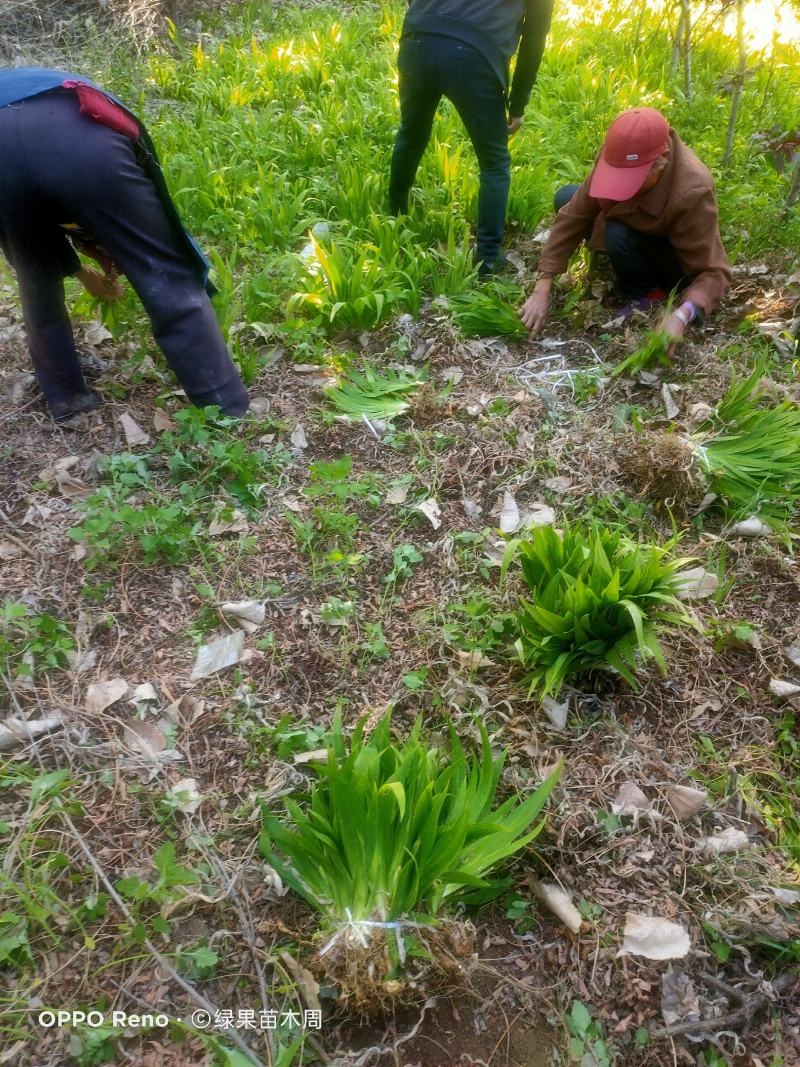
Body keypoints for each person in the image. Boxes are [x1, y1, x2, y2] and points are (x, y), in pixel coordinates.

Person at [0, 67, 250, 421]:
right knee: (163, 273)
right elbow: (144, 222)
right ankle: (222, 406)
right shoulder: (62, 87)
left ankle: (67, 400)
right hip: (81, 136)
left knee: (35, 280)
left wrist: (76, 266)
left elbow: (32, 227)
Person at [520, 107, 731, 351]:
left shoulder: (692, 190)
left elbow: (714, 271)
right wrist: (543, 284)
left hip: (669, 258)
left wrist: (682, 315)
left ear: (661, 160)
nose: (624, 186)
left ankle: (648, 294)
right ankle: (621, 255)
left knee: (618, 233)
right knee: (566, 197)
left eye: (634, 178)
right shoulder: (619, 153)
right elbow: (575, 213)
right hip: (633, 228)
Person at [389, 0, 554, 276]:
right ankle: (488, 259)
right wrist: (517, 106)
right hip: (474, 56)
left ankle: (393, 217)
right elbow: (534, 41)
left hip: (417, 38)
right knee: (494, 161)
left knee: (411, 133)